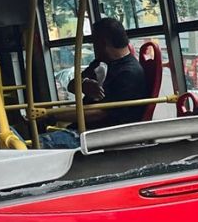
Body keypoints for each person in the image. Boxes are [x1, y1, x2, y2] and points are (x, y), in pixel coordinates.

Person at [39, 18, 147, 148]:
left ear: (103, 42)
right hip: (83, 129)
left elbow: (100, 113)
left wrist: (51, 115)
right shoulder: (100, 62)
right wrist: (84, 84)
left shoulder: (129, 73)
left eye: (94, 41)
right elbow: (72, 85)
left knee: (36, 146)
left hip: (101, 133)